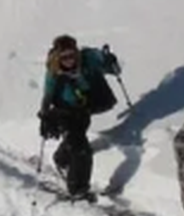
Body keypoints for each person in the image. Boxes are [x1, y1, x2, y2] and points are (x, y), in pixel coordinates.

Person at [37, 35, 121, 198]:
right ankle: (78, 190)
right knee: (81, 150)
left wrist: (109, 59)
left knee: (77, 136)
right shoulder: (53, 70)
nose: (69, 60)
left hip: (84, 108)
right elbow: (47, 95)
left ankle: (61, 160)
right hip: (63, 111)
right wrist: (45, 116)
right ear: (58, 57)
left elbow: (103, 61)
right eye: (64, 57)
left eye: (72, 55)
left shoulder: (87, 58)